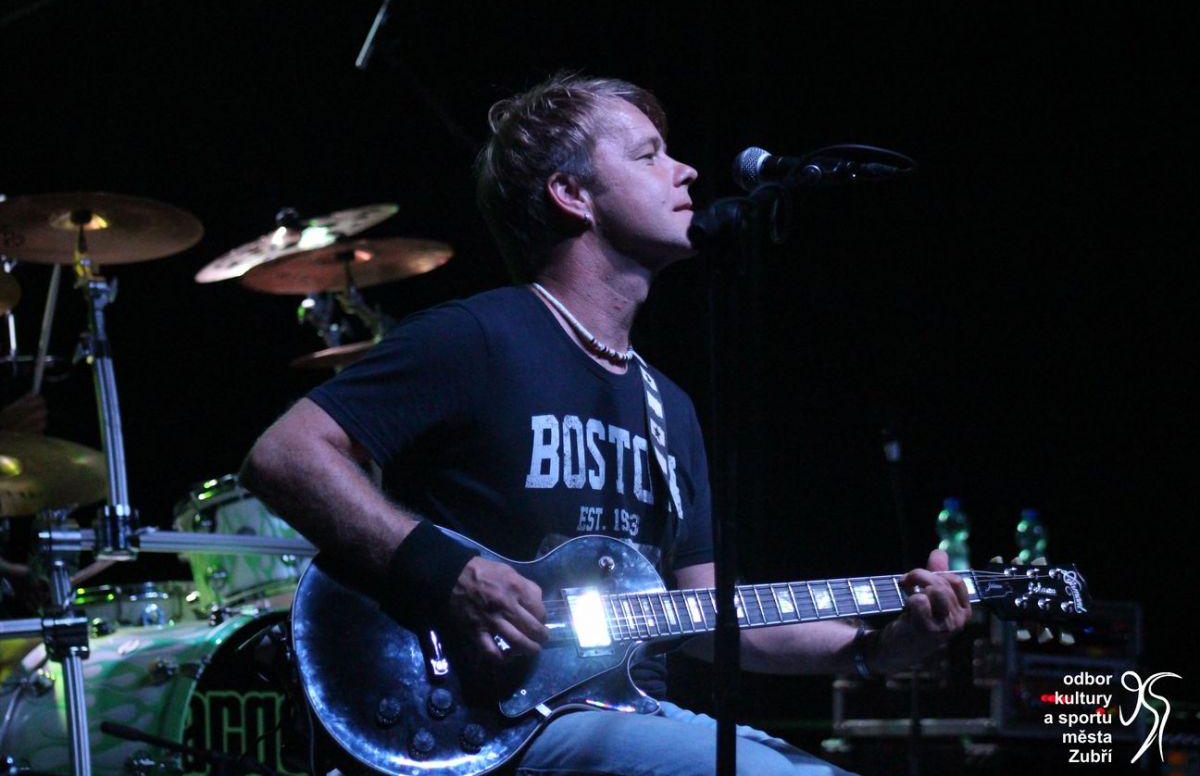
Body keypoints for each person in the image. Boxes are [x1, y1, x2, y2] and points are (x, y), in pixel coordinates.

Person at [240, 73, 971, 776]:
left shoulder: (669, 404)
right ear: (571, 194)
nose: (686, 172)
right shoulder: (476, 338)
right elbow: (285, 455)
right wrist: (451, 575)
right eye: (649, 155)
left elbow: (711, 616)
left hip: (626, 710)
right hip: (485, 718)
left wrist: (876, 649)